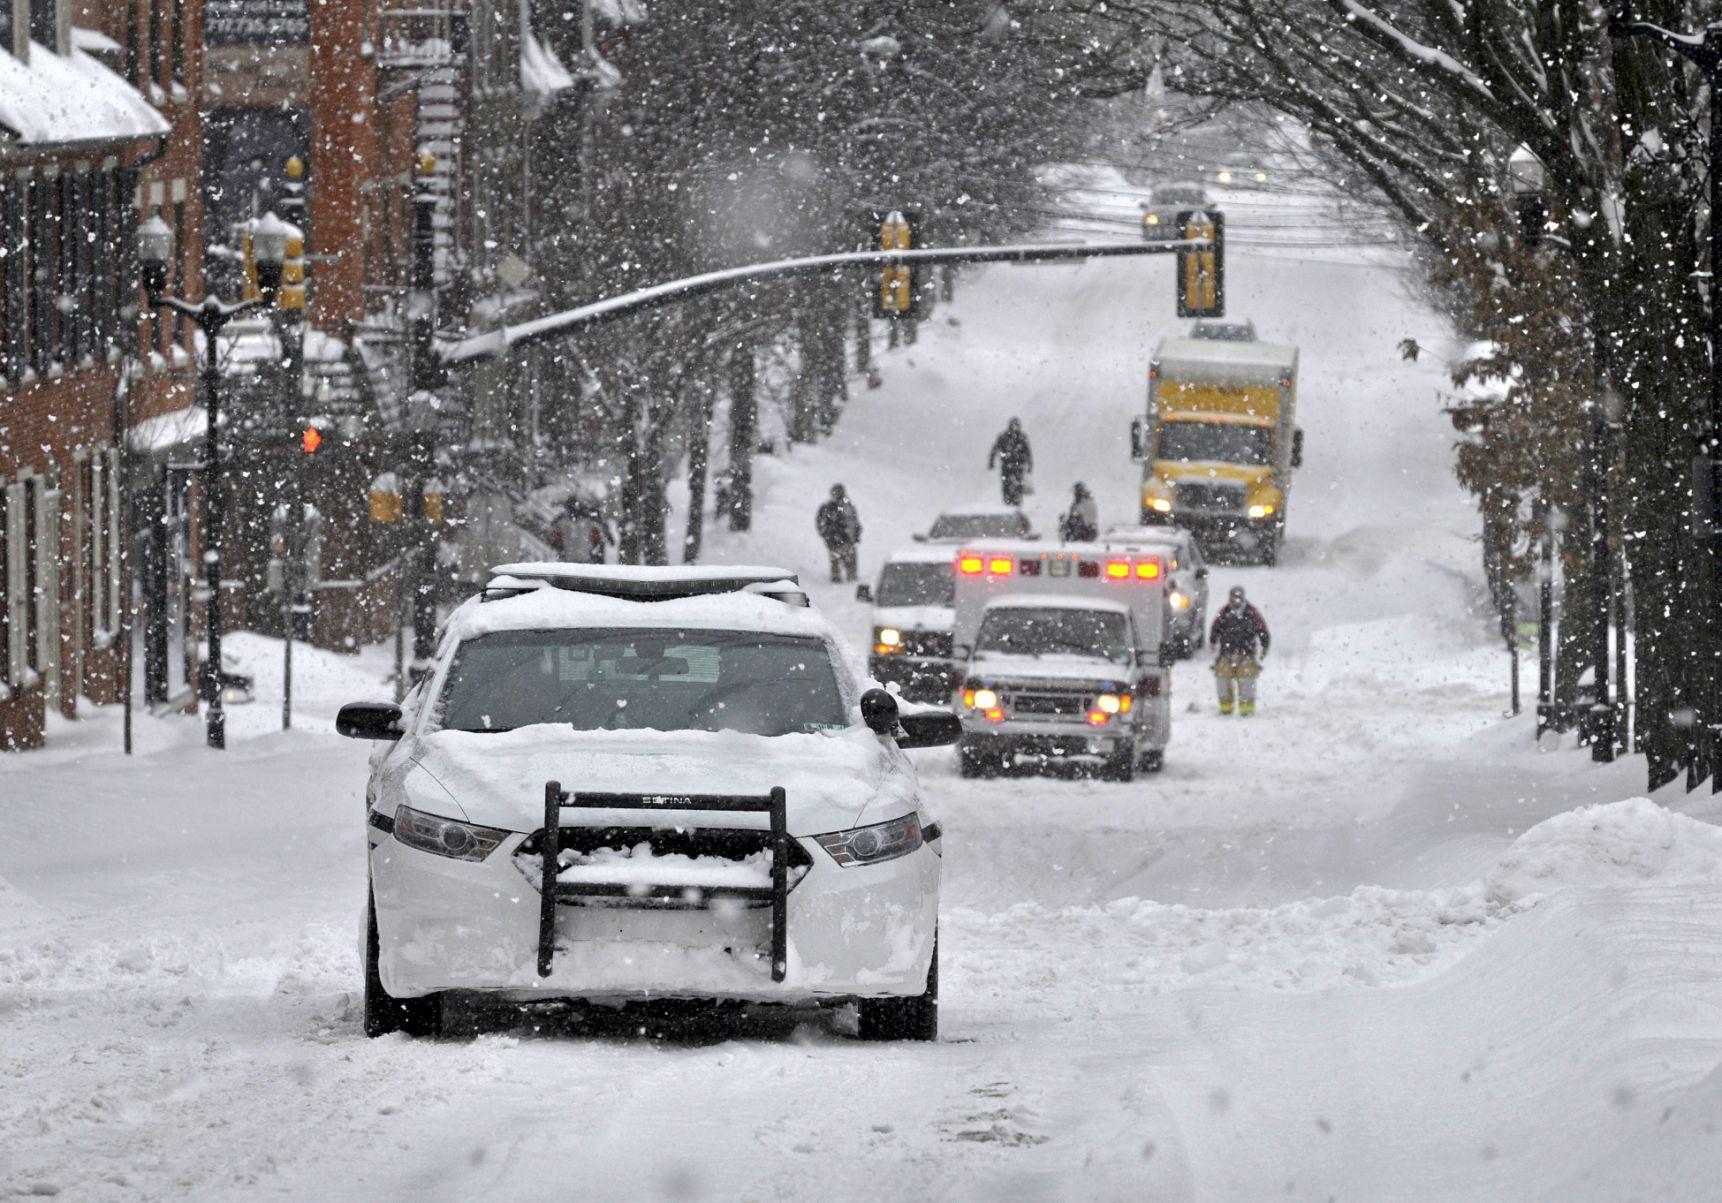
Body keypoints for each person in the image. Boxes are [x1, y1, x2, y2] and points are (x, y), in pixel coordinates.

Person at [1210, 585, 1271, 716]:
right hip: (1226, 653)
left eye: (1238, 598)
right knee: (1222, 678)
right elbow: (1215, 628)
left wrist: (1264, 646)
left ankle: (1247, 708)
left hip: (1246, 653)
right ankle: (1226, 707)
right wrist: (1213, 641)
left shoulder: (1252, 613)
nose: (1236, 601)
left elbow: (1262, 630)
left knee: (1248, 680)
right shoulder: (1224, 613)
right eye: (1233, 598)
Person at [816, 483, 862, 583]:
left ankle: (846, 578)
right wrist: (827, 535)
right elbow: (852, 521)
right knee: (842, 561)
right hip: (839, 539)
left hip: (844, 539)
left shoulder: (847, 505)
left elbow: (853, 521)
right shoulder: (831, 506)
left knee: (843, 561)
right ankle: (843, 579)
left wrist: (856, 534)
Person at [987, 418, 1034, 506]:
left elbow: (1028, 453)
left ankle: (1013, 502)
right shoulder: (1015, 437)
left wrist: (991, 462)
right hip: (1011, 466)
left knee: (1014, 485)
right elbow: (995, 449)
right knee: (1010, 485)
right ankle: (1010, 502)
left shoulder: (1016, 437)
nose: (1014, 428)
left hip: (1013, 466)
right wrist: (991, 462)